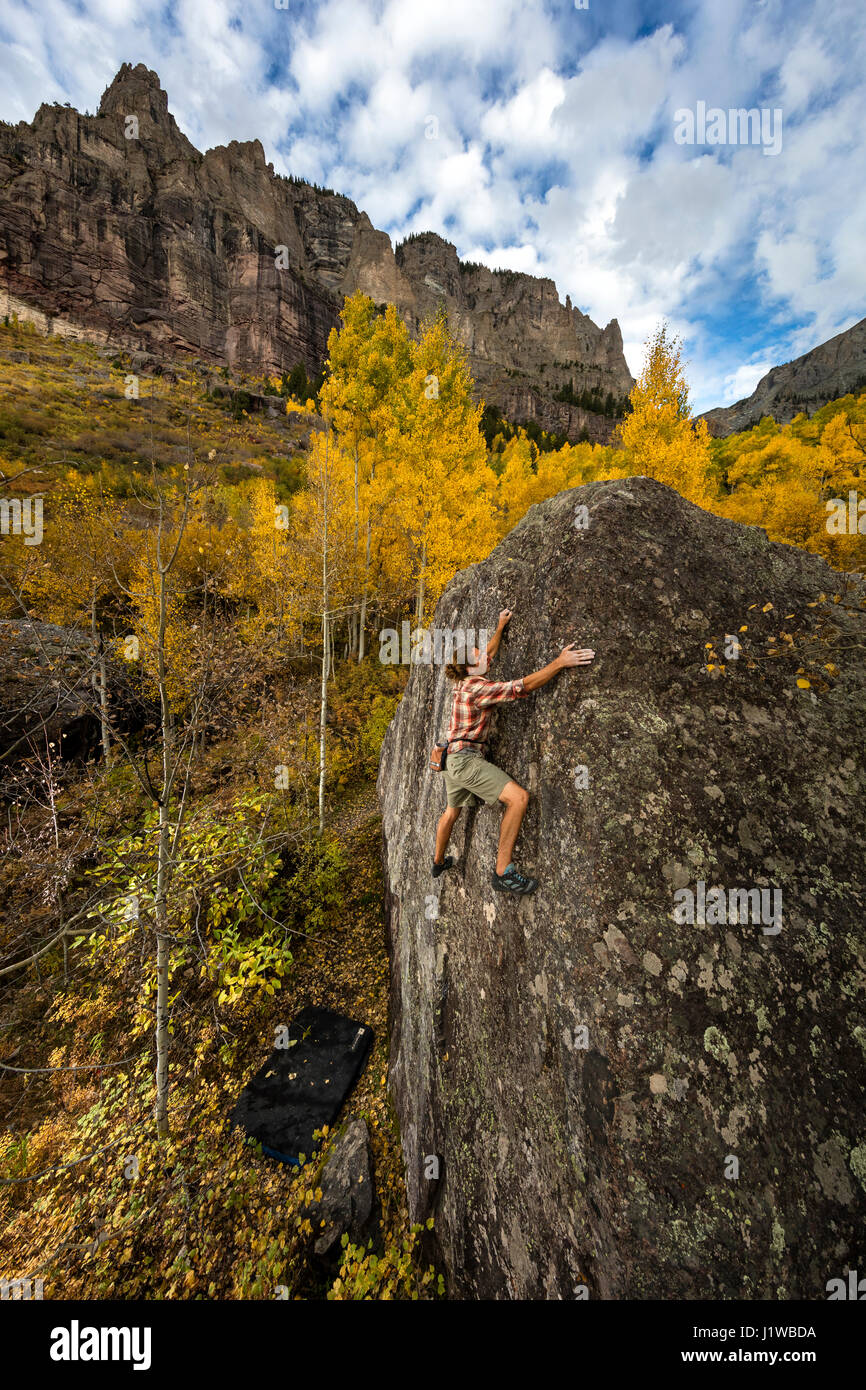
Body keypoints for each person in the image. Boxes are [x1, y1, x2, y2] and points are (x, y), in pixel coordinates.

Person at [432, 609, 595, 895]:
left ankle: (437, 862)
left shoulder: (462, 679)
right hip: (465, 761)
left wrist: (500, 626)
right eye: (479, 655)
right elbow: (522, 686)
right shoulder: (478, 688)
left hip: (451, 758)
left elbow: (490, 652)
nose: (486, 655)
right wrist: (559, 663)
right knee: (518, 799)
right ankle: (502, 873)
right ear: (471, 667)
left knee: (450, 813)